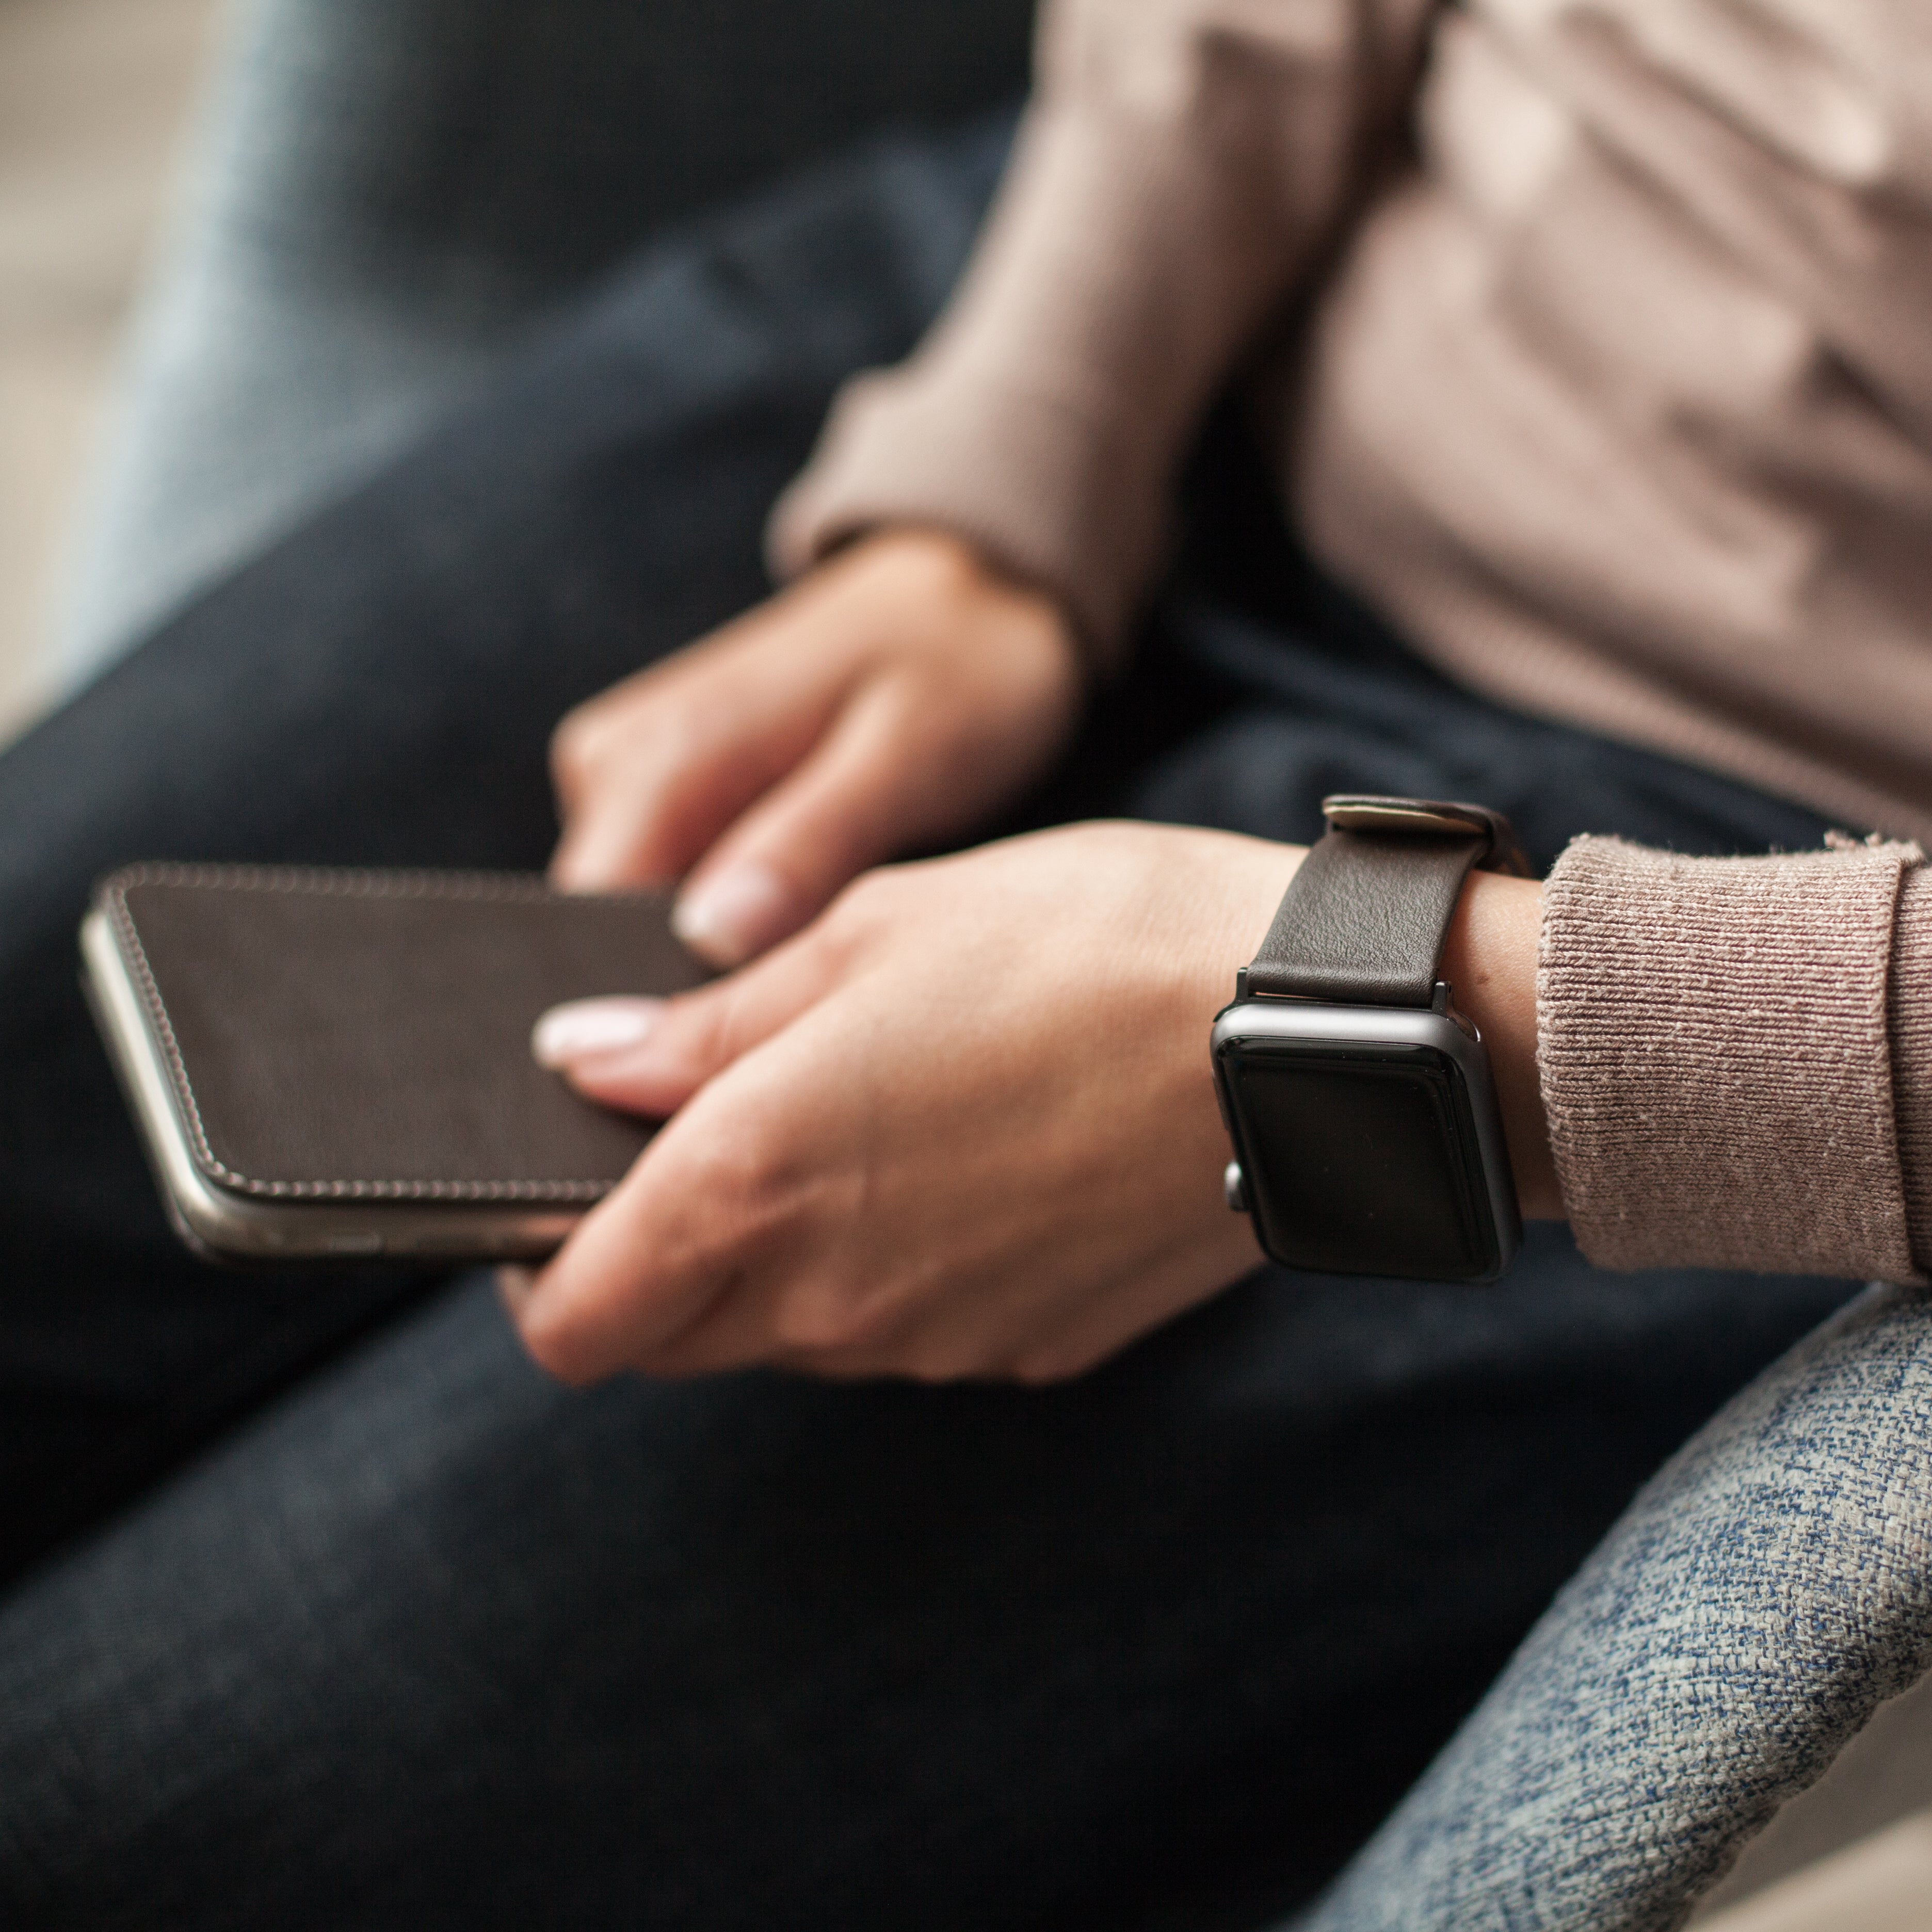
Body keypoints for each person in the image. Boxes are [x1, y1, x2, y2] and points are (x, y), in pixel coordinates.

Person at [1, 2, 1927, 1925]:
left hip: (1734, 894)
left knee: (98, 1819)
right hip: (1190, 292)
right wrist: (1021, 448)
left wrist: (1447, 1046)